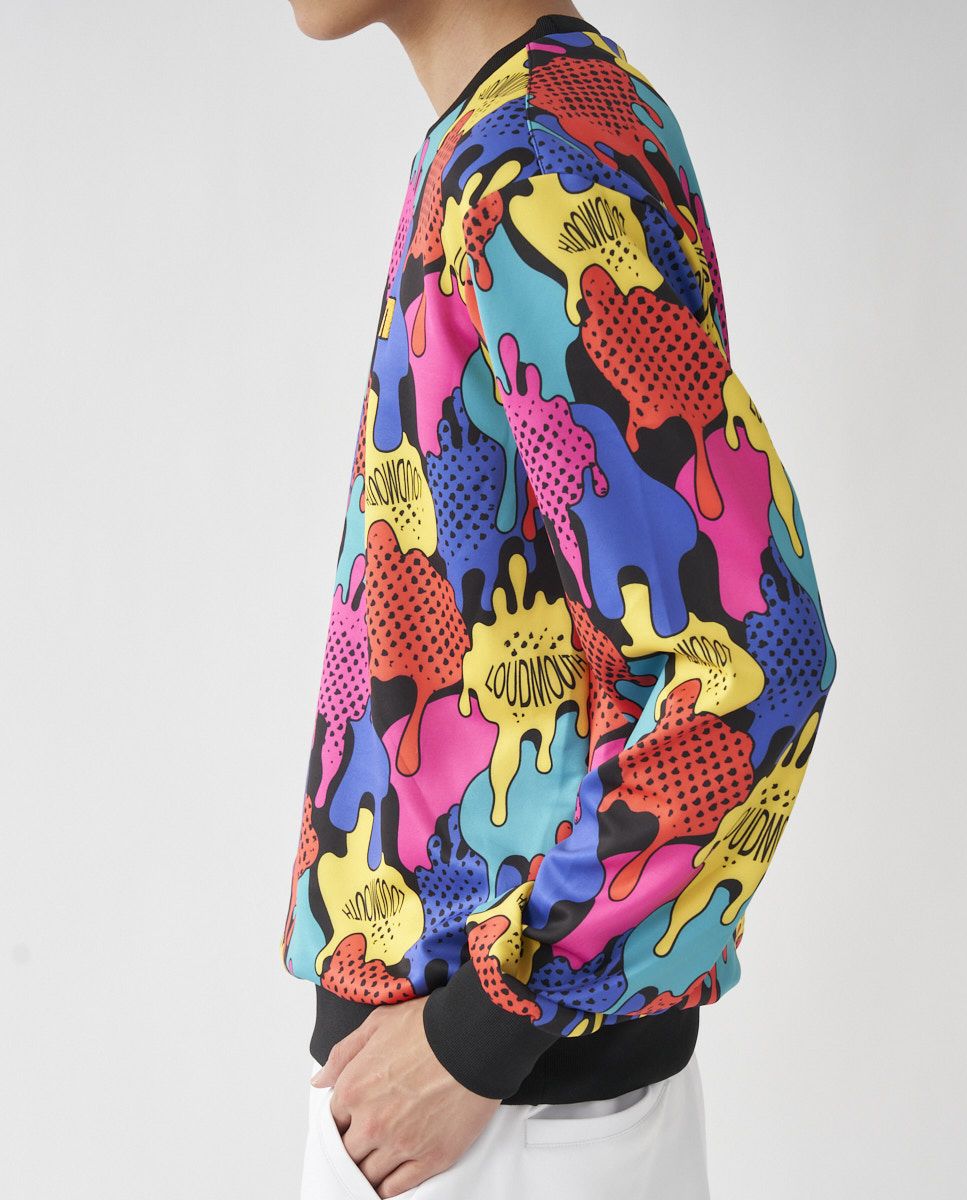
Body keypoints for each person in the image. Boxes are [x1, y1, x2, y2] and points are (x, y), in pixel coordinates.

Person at [280, 4, 839, 1198]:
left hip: (497, 1118)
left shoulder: (528, 165)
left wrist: (482, 1028)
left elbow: (752, 655)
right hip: (498, 1106)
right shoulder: (538, 126)